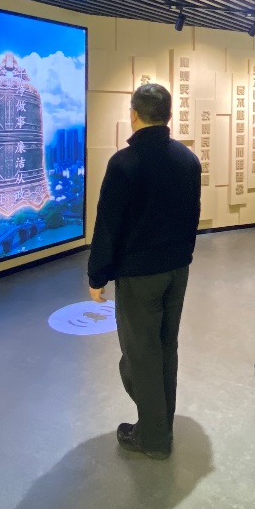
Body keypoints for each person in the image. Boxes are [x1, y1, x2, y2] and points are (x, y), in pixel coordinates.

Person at [88, 84, 202, 460]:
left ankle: (153, 438)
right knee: (166, 347)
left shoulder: (124, 163)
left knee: (140, 354)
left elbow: (108, 225)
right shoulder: (188, 159)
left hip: (139, 275)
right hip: (177, 270)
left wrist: (97, 275)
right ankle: (160, 424)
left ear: (134, 114)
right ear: (168, 115)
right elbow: (193, 216)